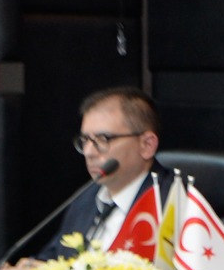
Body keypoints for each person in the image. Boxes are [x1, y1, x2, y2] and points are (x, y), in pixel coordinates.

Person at [44, 87, 171, 257]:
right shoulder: (86, 198)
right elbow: (53, 257)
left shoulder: (172, 206)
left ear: (147, 145)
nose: (88, 152)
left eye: (103, 139)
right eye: (85, 140)